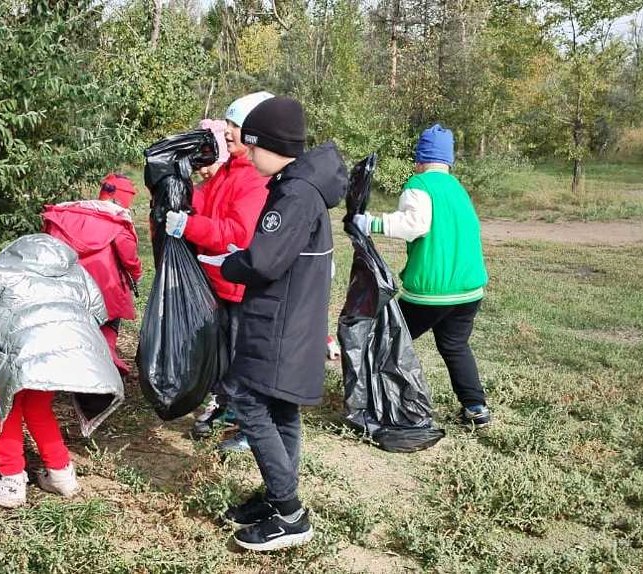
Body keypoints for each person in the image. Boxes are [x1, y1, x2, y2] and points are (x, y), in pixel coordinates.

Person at [199, 96, 348, 551]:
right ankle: (275, 497)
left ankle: (290, 514)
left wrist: (229, 264)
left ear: (269, 144)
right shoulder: (299, 185)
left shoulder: (296, 194)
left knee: (248, 401)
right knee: (280, 408)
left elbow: (263, 261)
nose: (245, 149)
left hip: (279, 322)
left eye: (250, 142)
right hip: (292, 317)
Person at [0, 234, 124, 508]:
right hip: (63, 349)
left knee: (6, 407)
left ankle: (10, 481)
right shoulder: (74, 270)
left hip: (23, 350)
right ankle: (61, 473)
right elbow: (98, 311)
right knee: (37, 406)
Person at [352, 124, 491, 428]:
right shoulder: (457, 189)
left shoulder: (420, 184)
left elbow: (414, 224)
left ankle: (376, 400)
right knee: (455, 346)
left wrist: (370, 223)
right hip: (469, 291)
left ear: (420, 158)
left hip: (432, 292)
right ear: (448, 160)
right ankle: (475, 408)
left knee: (386, 339)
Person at [164, 91, 273, 451]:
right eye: (227, 123)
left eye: (235, 125)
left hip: (241, 287)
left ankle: (246, 425)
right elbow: (205, 201)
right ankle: (225, 408)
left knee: (243, 359)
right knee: (222, 354)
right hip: (218, 282)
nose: (227, 132)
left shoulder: (254, 179)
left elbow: (237, 235)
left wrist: (188, 227)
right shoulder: (230, 169)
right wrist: (176, 185)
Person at [42, 174, 143, 375]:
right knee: (109, 321)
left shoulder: (66, 214)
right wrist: (136, 273)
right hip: (107, 285)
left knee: (77, 325)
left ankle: (76, 365)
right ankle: (107, 360)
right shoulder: (117, 222)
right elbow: (129, 257)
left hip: (71, 284)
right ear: (124, 199)